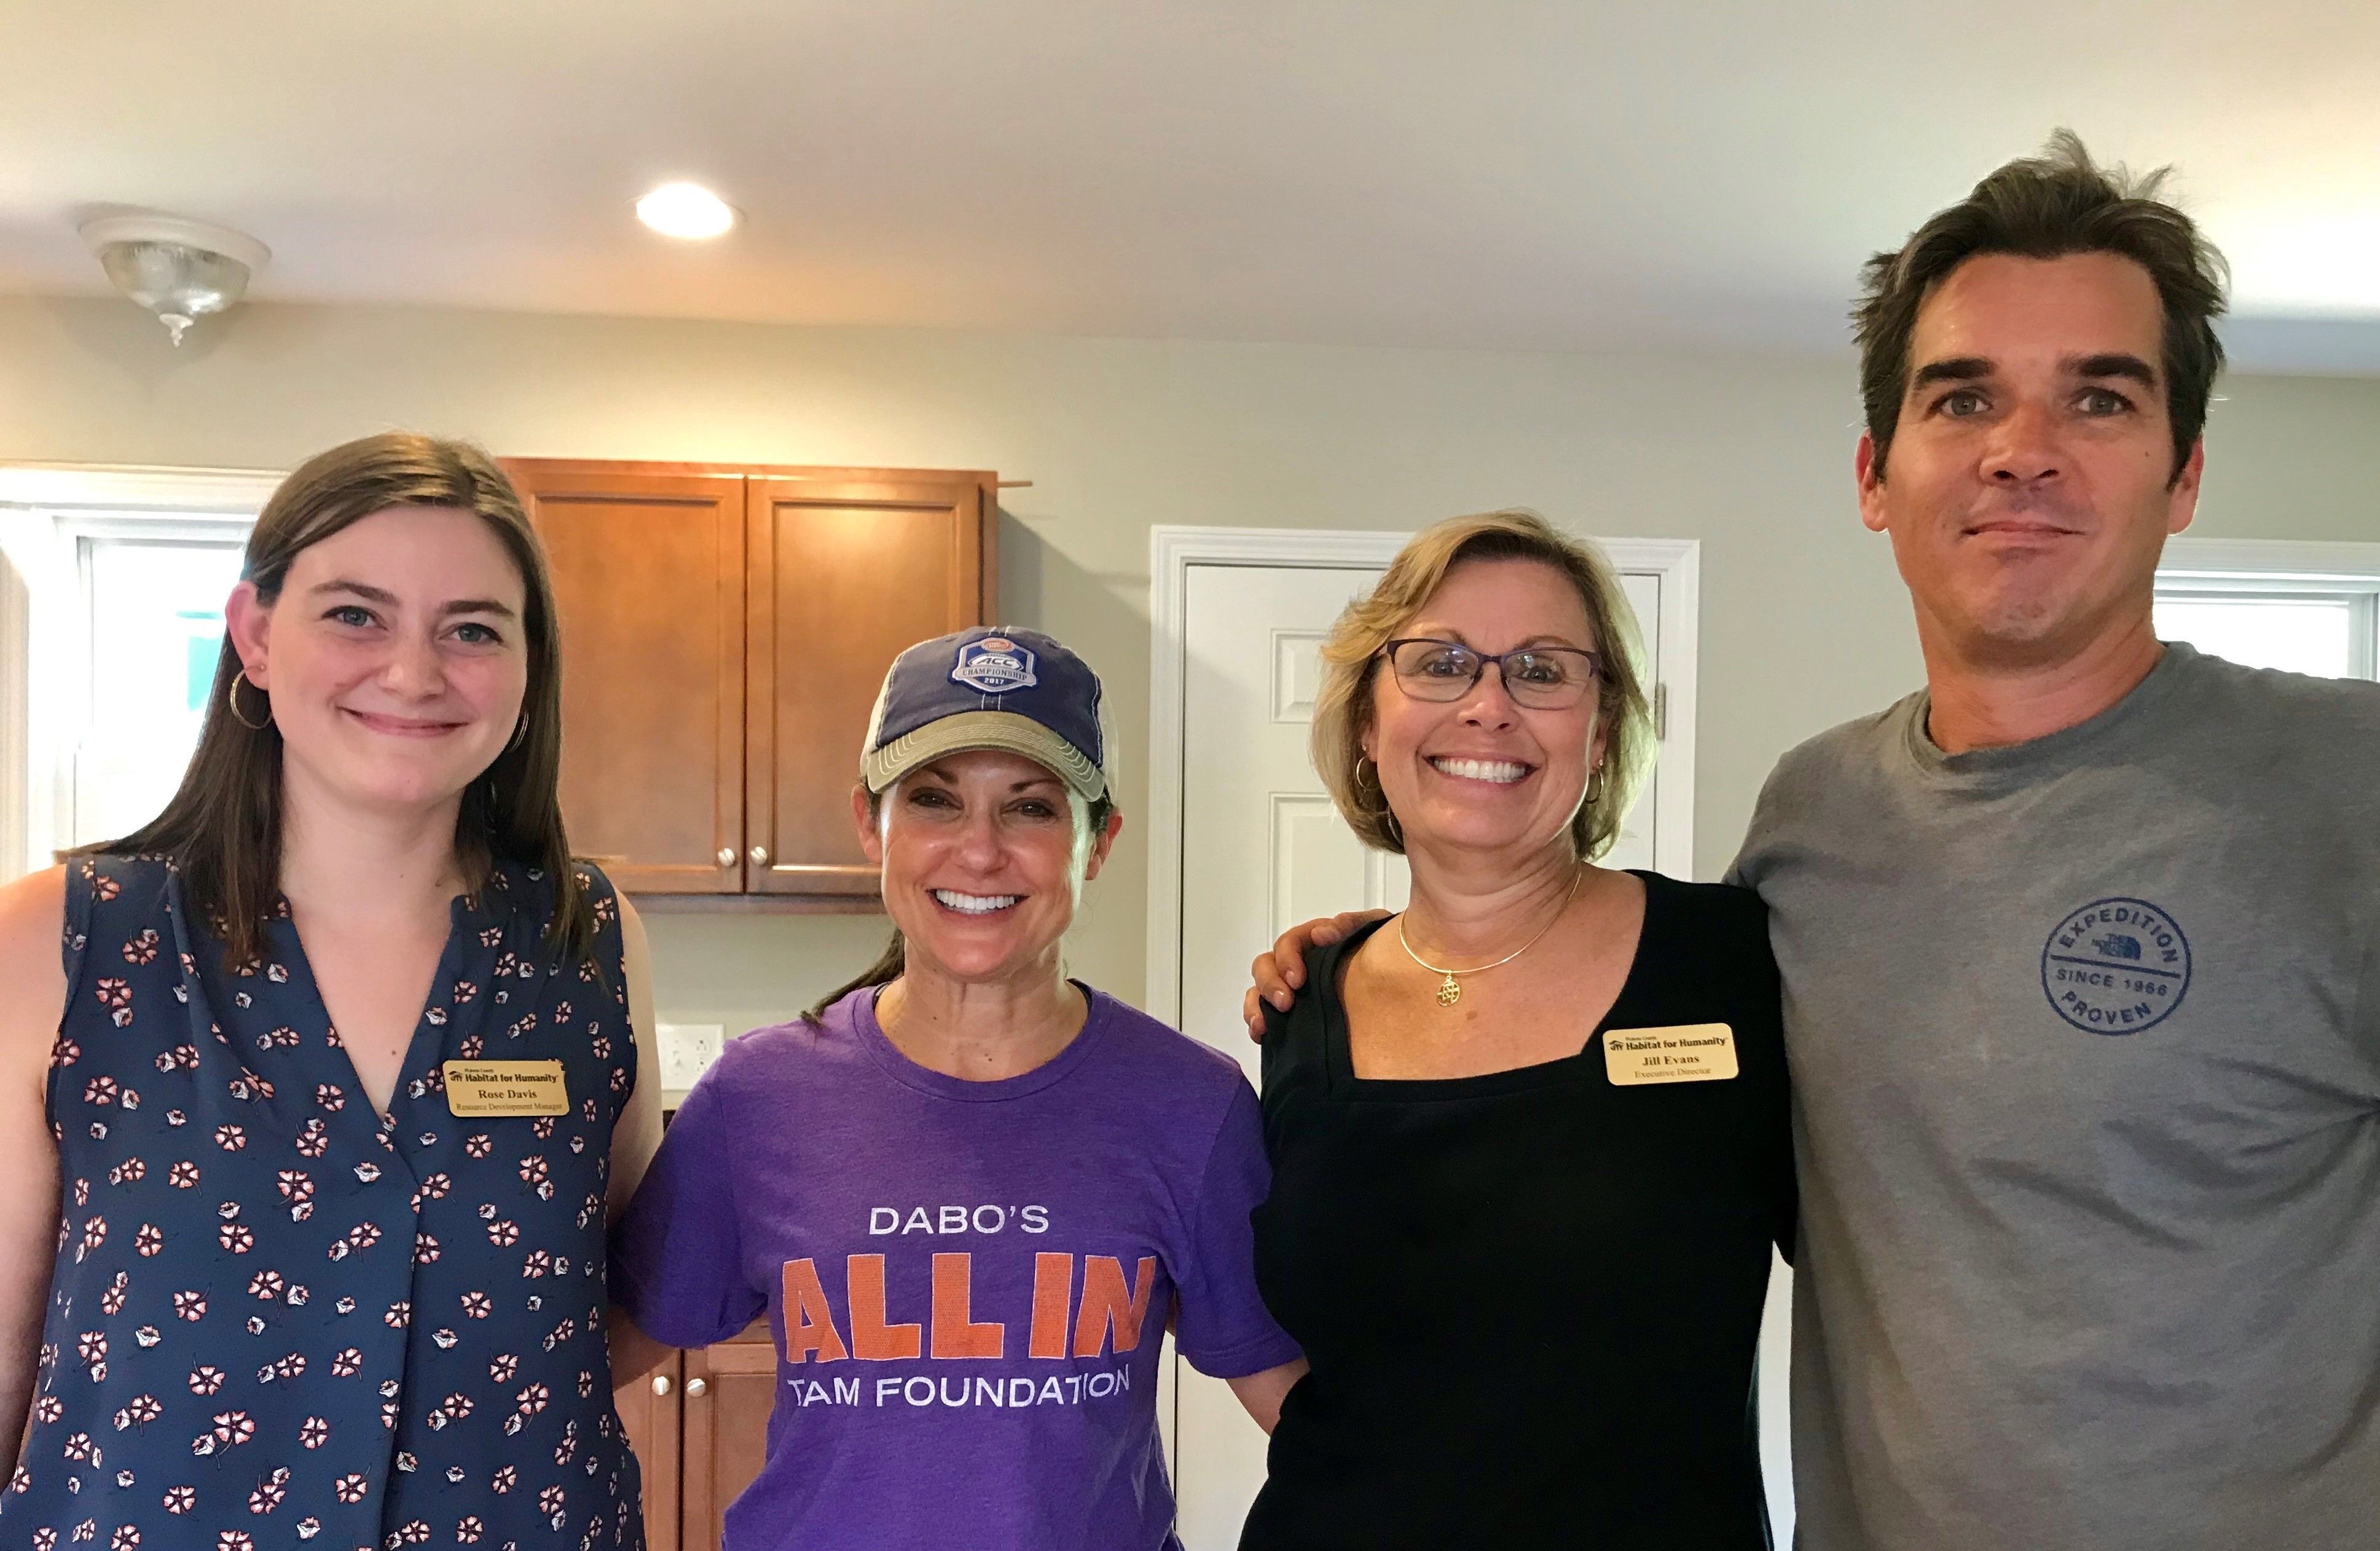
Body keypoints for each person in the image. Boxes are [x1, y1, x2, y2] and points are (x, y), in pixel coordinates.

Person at [1256, 136, 2380, 1548]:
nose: (2023, 448)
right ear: (1876, 473)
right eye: (1963, 397)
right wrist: (1366, 965)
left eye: (2100, 396)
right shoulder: (1815, 823)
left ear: (2183, 472)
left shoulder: (2379, 789)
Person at [0, 433, 665, 1551]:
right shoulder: (63, 940)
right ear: (256, 636)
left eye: (472, 629)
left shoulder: (586, 941)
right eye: (356, 614)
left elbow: (621, 1299)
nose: (413, 672)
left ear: (527, 667)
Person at [610, 626, 1305, 1551]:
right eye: (934, 801)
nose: (979, 852)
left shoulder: (1190, 1105)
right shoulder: (759, 1099)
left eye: (1030, 809)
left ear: (1098, 843)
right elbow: (595, 1356)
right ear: (870, 824)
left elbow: (1303, 1414)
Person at [1238, 513, 1794, 1549]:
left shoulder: (1736, 962)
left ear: (1601, 725)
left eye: (1542, 670)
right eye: (1440, 663)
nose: (1490, 705)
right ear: (1368, 721)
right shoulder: (1305, 1004)